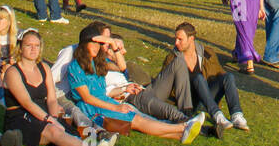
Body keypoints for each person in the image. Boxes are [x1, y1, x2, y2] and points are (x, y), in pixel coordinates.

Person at [66, 27, 204, 144]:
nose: (97, 48)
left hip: (106, 102)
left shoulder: (97, 63)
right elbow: (87, 98)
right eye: (93, 44)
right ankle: (184, 127)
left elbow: (121, 67)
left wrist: (111, 43)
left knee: (138, 121)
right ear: (84, 44)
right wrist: (116, 107)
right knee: (136, 120)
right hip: (93, 109)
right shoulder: (75, 67)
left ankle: (180, 135)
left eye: (99, 44)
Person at [4, 29, 113, 146]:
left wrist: (54, 117)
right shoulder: (13, 72)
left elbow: (51, 99)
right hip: (21, 117)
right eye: (28, 45)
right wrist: (49, 119)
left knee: (65, 133)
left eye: (37, 46)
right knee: (54, 131)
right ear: (20, 48)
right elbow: (26, 102)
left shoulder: (44, 68)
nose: (33, 49)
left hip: (43, 112)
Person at [52, 23, 187, 123]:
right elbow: (95, 93)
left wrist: (114, 48)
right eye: (103, 39)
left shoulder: (101, 58)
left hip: (139, 87)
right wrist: (123, 89)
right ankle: (187, 123)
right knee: (157, 114)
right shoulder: (76, 57)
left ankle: (185, 115)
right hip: (127, 95)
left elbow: (123, 68)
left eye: (107, 39)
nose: (105, 43)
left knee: (178, 63)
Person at [152, 22, 250, 137]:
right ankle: (217, 115)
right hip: (189, 102)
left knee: (228, 77)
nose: (176, 43)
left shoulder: (207, 53)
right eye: (176, 39)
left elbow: (219, 74)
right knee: (198, 78)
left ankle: (237, 115)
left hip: (207, 97)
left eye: (180, 39)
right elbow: (164, 85)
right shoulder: (172, 59)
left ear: (191, 39)